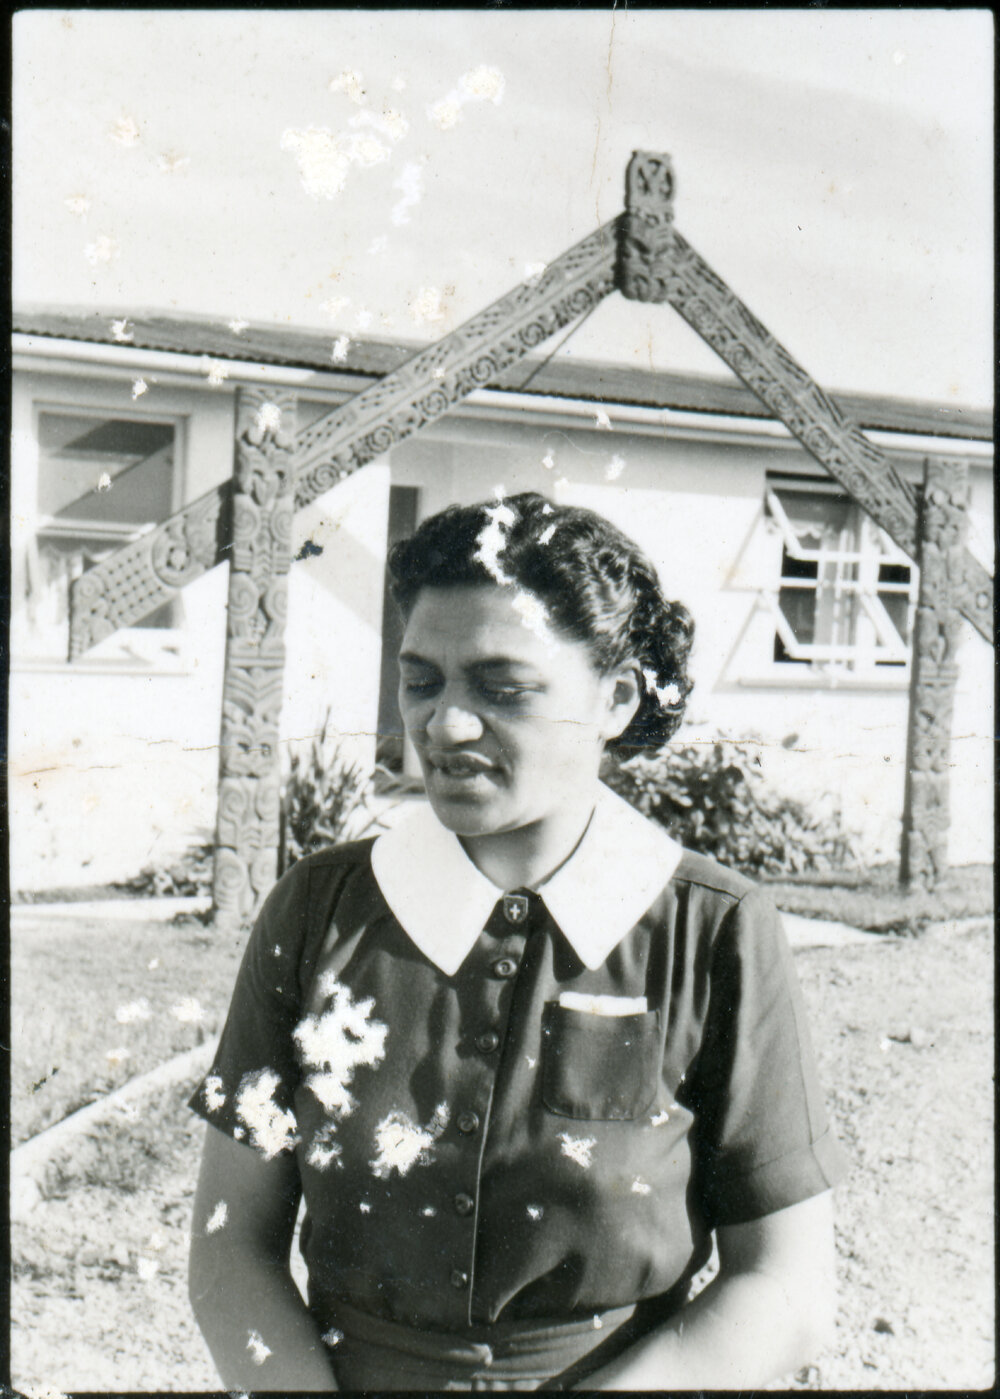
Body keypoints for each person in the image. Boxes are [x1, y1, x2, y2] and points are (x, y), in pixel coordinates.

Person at [188, 490, 846, 1391]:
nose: (445, 725)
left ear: (616, 698)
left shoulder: (712, 930)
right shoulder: (318, 911)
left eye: (502, 688)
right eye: (422, 680)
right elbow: (231, 1245)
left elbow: (787, 1286)